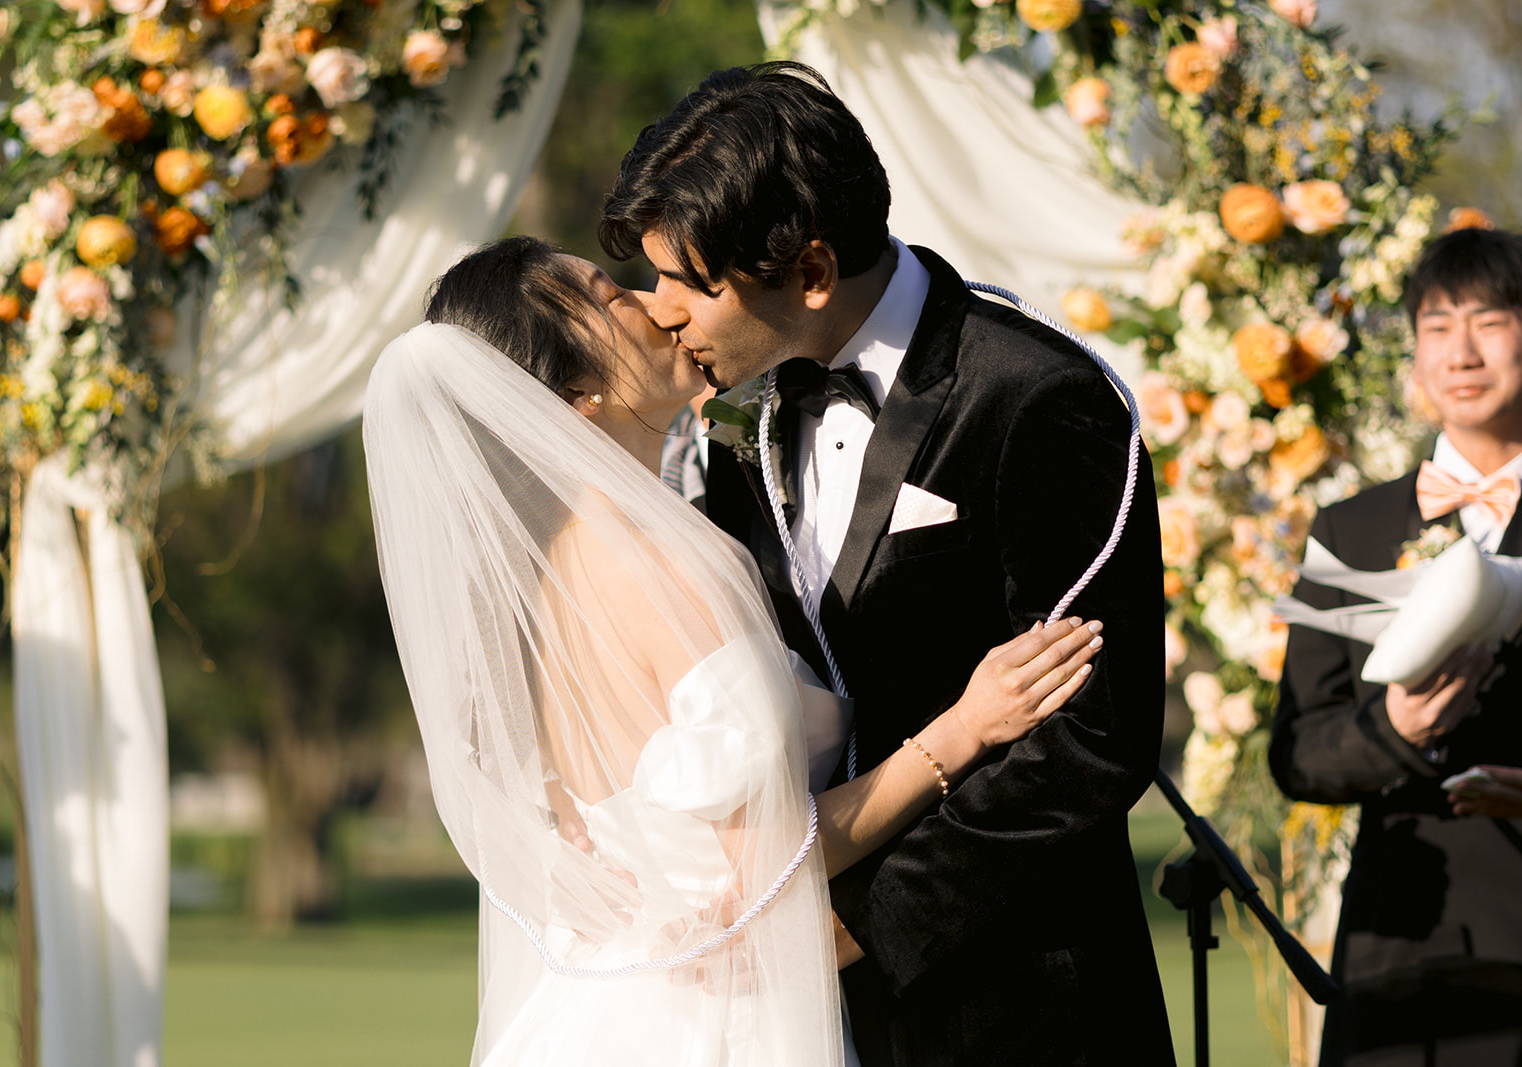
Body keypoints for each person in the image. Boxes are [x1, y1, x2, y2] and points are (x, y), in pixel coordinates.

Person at [362, 235, 1108, 1065]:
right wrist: (960, 733)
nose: (654, 303)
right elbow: (767, 866)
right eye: (614, 298)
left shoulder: (548, 582)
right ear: (579, 396)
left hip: (607, 1008)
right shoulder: (658, 558)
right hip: (713, 1022)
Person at [600, 63, 1172, 1066]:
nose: (658, 313)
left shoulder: (1038, 396)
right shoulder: (743, 412)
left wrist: (860, 923)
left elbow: (1091, 736)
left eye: (687, 284)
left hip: (1018, 1002)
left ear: (810, 271)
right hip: (790, 1004)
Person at [1271, 226, 1522, 1064]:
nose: (1463, 350)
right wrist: (1396, 729)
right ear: (1415, 357)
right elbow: (1298, 752)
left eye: (1489, 320)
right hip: (1408, 944)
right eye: (1438, 326)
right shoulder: (1355, 528)